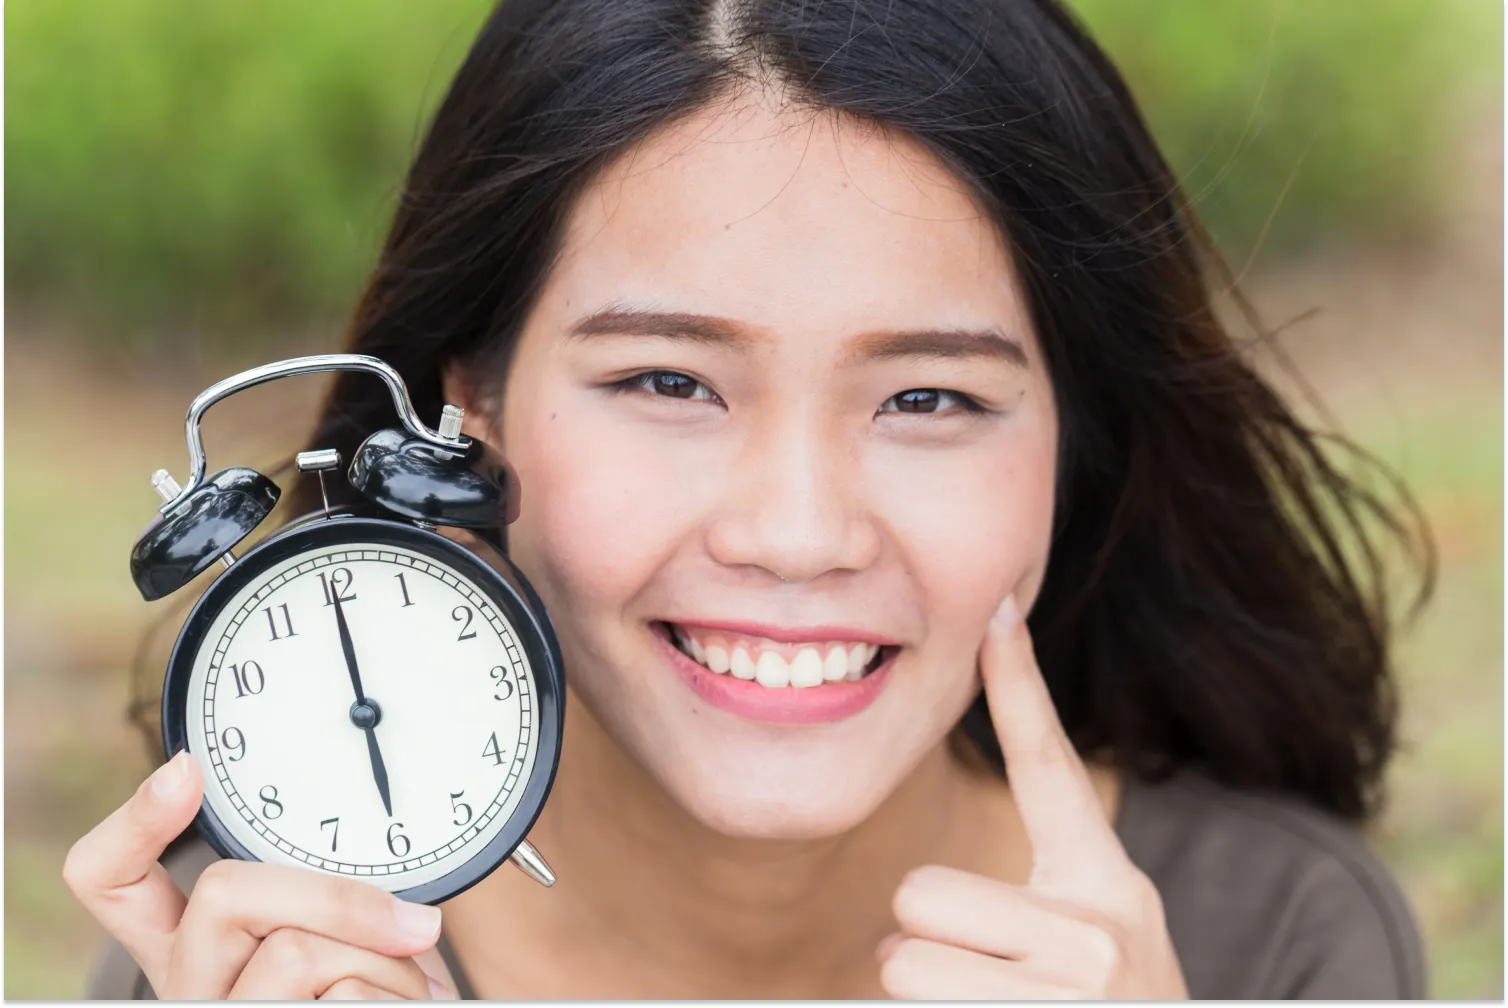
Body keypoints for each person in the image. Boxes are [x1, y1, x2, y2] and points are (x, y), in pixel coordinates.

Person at [69, 0, 1431, 998]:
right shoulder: (249, 964)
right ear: (465, 411)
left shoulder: (1276, 938)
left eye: (930, 399)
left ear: (1076, 440)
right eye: (668, 383)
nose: (795, 534)